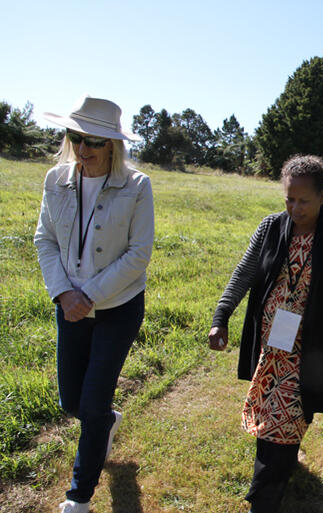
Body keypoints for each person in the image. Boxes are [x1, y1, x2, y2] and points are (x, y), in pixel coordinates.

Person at [208, 155, 323, 513]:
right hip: (270, 348)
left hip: (307, 353)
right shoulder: (270, 228)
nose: (295, 208)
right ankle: (275, 475)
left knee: (285, 424)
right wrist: (222, 315)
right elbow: (244, 274)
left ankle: (263, 500)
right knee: (275, 426)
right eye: (289, 199)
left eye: (304, 201)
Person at [33, 96, 153, 513]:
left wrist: (90, 296)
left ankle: (78, 497)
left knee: (93, 402)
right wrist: (65, 294)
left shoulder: (137, 186)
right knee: (72, 403)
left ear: (113, 146)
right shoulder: (55, 179)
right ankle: (106, 422)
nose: (83, 149)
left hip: (118, 306)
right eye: (75, 137)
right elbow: (44, 239)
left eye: (94, 141)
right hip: (68, 305)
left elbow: (139, 253)